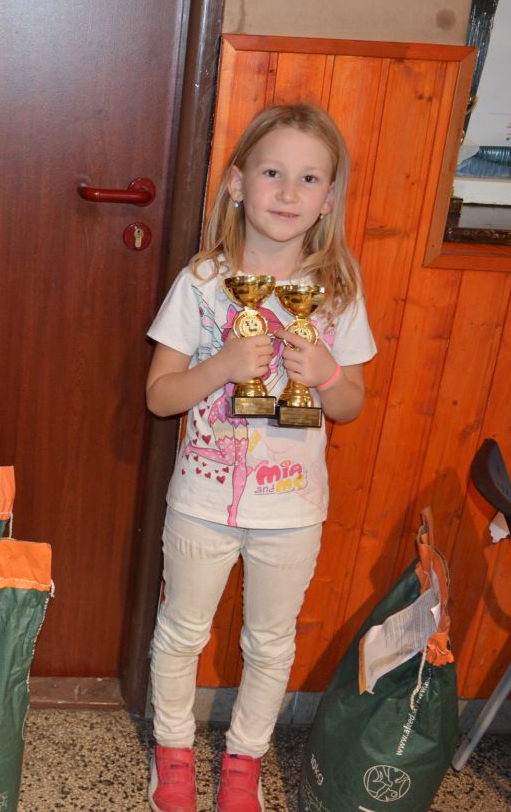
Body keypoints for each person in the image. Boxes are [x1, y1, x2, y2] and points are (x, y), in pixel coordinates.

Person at [143, 104, 376, 812]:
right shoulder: (203, 281)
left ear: (328, 198)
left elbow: (351, 404)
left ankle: (244, 762)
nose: (288, 191)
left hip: (292, 508)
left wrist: (327, 374)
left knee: (270, 642)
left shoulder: (337, 290)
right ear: (239, 183)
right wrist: (219, 366)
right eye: (272, 172)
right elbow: (159, 395)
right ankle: (173, 754)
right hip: (203, 500)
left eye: (308, 178)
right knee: (181, 632)